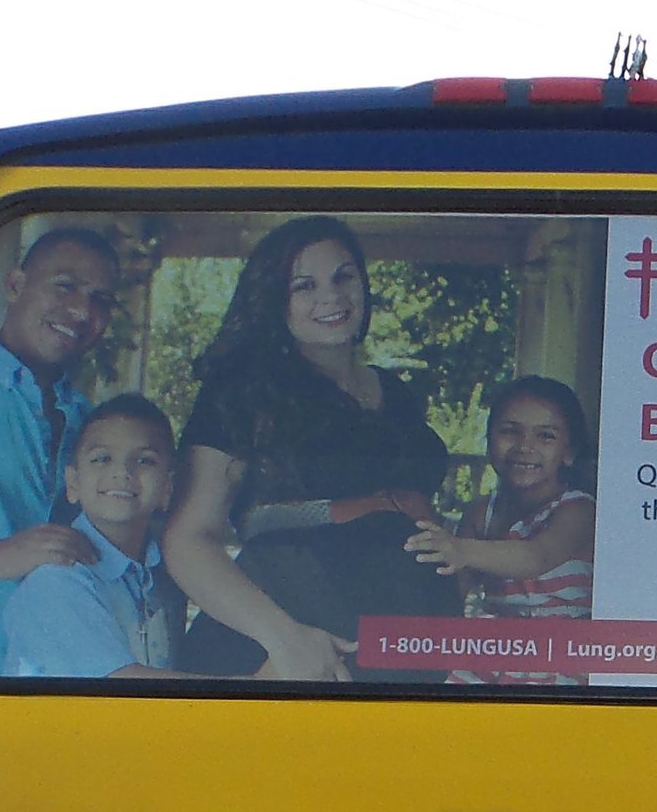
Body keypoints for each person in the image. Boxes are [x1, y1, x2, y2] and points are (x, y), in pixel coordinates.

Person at [159, 215, 460, 683]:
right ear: (273, 299)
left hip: (400, 649)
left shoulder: (395, 392)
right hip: (287, 657)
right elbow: (188, 539)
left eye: (344, 276)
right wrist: (285, 638)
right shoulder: (242, 395)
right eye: (304, 285)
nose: (331, 297)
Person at [0, 225, 121, 674]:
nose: (82, 311)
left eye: (101, 299)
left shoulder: (83, 419)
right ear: (15, 285)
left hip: (46, 684)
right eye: (65, 286)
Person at [403, 376, 596, 687]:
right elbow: (458, 591)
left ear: (569, 452)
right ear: (489, 443)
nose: (525, 447)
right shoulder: (482, 512)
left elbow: (536, 556)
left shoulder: (578, 509)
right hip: (501, 649)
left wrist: (461, 549)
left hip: (564, 655)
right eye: (510, 431)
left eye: (545, 436)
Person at [0, 395, 186, 678]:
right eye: (102, 458)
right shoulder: (57, 579)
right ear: (73, 483)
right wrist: (247, 687)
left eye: (144, 461)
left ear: (167, 488)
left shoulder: (155, 576)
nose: (122, 472)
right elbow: (123, 685)